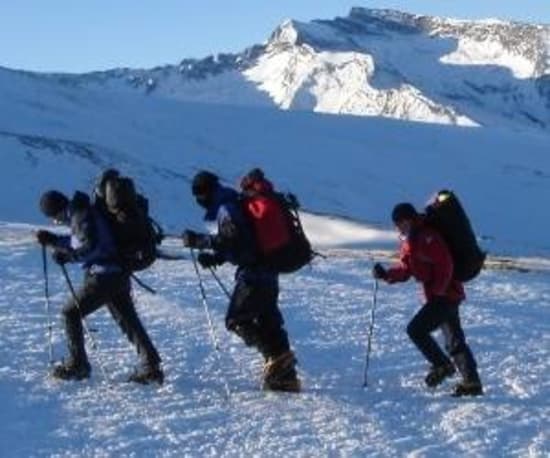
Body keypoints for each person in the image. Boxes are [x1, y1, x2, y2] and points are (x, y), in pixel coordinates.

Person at [182, 170, 301, 392]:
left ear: (205, 193)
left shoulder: (226, 208)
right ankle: (286, 379)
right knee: (269, 321)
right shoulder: (235, 202)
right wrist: (217, 257)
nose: (198, 200)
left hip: (254, 275)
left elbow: (235, 240)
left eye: (198, 195)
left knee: (236, 320)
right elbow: (245, 243)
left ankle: (276, 359)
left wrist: (201, 241)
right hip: (268, 271)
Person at [36, 189, 163, 384]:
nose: (56, 222)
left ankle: (78, 365)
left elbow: (91, 247)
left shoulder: (80, 216)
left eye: (53, 218)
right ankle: (151, 366)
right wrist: (54, 241)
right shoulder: (82, 212)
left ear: (57, 211)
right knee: (127, 318)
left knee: (70, 313)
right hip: (118, 272)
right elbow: (79, 242)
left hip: (104, 275)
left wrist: (68, 256)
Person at [372, 202, 483, 396]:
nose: (398, 227)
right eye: (396, 224)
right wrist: (386, 275)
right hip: (442, 296)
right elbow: (406, 270)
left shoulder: (428, 236)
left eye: (400, 222)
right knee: (454, 340)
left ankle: (442, 365)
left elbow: (445, 264)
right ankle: (472, 383)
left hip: (445, 296)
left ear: (410, 219)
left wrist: (439, 291)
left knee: (416, 330)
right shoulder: (409, 241)